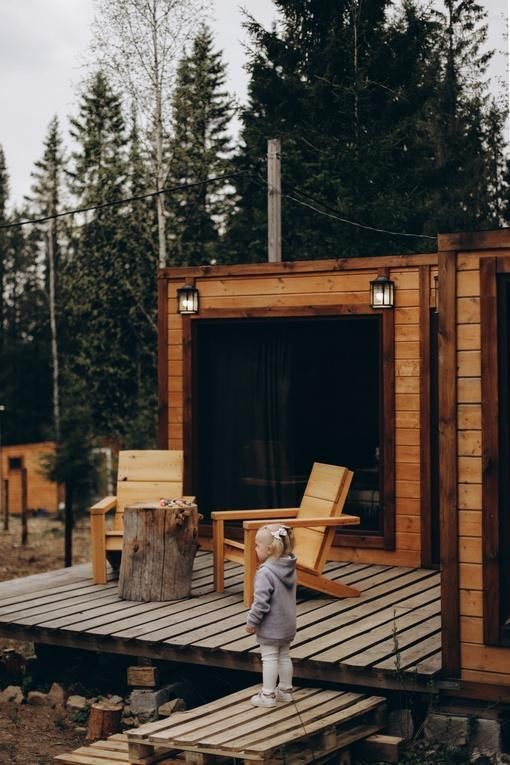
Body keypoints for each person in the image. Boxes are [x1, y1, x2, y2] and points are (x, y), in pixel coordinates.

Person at [245, 524, 297, 708]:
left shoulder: (265, 573)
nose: (255, 549)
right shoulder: (289, 568)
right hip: (288, 624)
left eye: (257, 546)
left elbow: (261, 603)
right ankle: (285, 691)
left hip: (271, 626)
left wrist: (252, 622)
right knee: (284, 656)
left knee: (269, 658)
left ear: (268, 549)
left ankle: (268, 695)